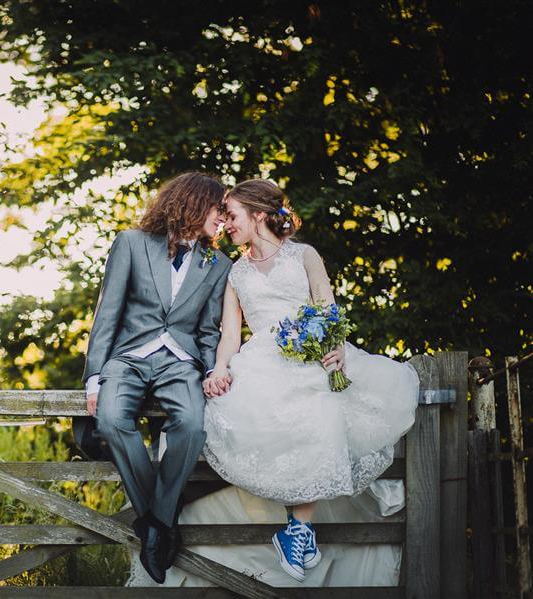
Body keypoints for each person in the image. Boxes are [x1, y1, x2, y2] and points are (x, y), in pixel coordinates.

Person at [197, 178, 419, 582]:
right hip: (263, 358)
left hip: (313, 353)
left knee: (321, 410)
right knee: (269, 420)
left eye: (231, 215)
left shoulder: (305, 256)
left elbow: (327, 308)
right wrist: (220, 369)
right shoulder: (235, 273)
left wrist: (335, 348)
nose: (225, 223)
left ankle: (297, 530)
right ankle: (299, 530)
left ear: (258, 215)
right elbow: (230, 334)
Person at [81, 171, 232, 583]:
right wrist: (94, 377)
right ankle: (160, 520)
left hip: (181, 362)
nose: (223, 220)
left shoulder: (217, 263)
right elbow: (107, 313)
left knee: (193, 425)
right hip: (128, 358)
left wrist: (210, 374)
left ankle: (154, 523)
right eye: (219, 210)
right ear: (195, 202)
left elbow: (208, 329)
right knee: (111, 421)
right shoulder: (131, 243)